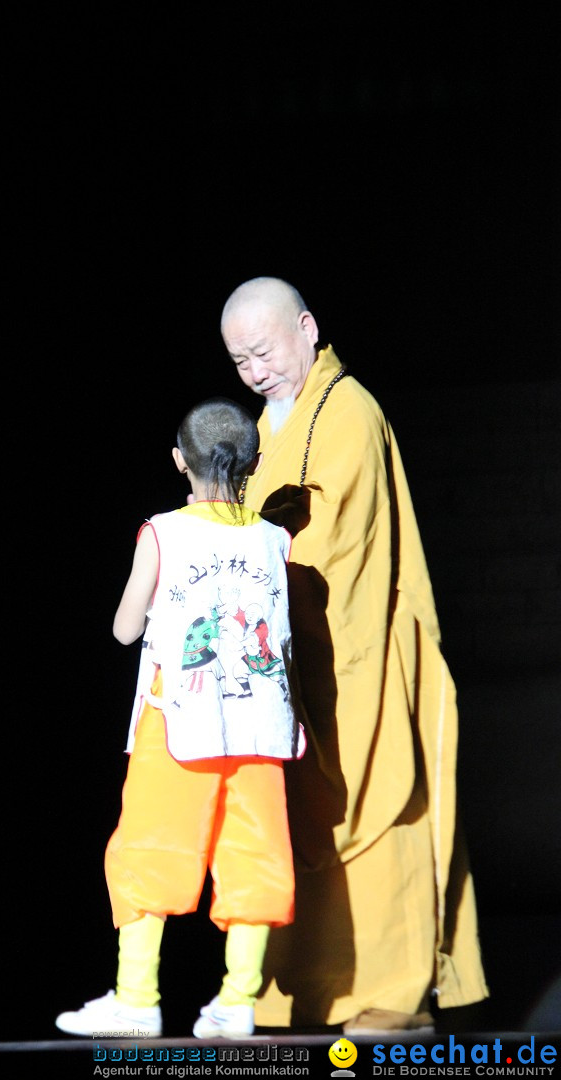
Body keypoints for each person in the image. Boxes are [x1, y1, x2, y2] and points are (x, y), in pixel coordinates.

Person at [220, 276, 489, 1035]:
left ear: (306, 329)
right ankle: (307, 988)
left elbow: (341, 535)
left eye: (264, 350)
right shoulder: (273, 424)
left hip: (355, 653)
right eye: (239, 361)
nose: (254, 371)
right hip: (295, 657)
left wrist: (253, 552)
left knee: (381, 803)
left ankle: (398, 998)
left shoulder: (348, 413)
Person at [55, 397, 306, 1040]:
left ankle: (136, 999)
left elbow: (123, 629)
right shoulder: (276, 538)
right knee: (255, 854)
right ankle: (238, 1000)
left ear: (178, 462)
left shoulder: (163, 532)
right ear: (253, 464)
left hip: (181, 720)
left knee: (150, 847)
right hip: (258, 724)